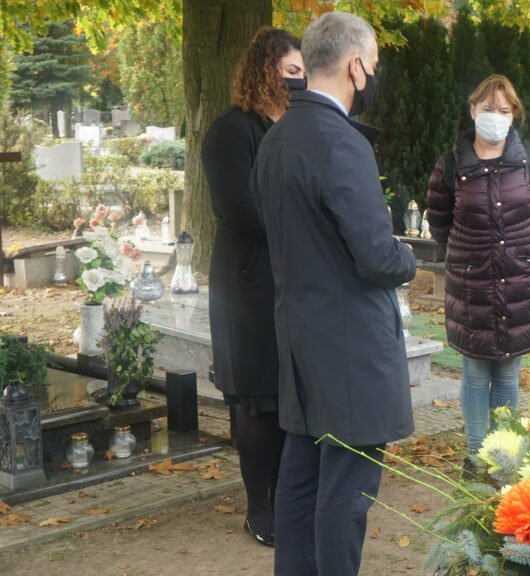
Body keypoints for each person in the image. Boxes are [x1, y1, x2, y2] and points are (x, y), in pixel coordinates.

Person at [250, 12, 417, 575]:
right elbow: (376, 255)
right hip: (348, 349)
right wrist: (407, 256)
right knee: (345, 497)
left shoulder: (276, 138)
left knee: (299, 485)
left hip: (300, 340)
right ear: (356, 66)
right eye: (373, 64)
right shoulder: (340, 143)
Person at [200, 26, 303, 547]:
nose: (299, 81)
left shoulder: (301, 128)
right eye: (290, 72)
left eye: (303, 73)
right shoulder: (231, 131)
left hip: (295, 283)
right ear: (264, 69)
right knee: (258, 402)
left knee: (290, 400)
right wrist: (306, 230)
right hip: (249, 285)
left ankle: (288, 497)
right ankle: (259, 508)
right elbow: (240, 208)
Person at [425, 74, 530, 473]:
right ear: (472, 111)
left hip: (518, 283)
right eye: (487, 109)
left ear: (514, 115)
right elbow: (440, 224)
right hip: (472, 285)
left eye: (503, 110)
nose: (495, 117)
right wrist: (471, 257)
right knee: (474, 369)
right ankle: (477, 455)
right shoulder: (450, 166)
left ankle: (506, 456)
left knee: (508, 372)